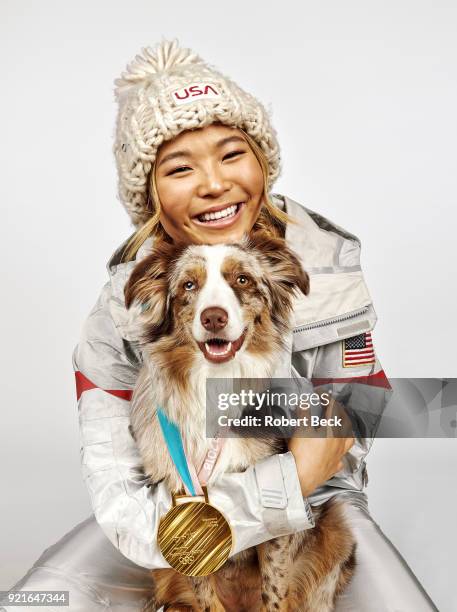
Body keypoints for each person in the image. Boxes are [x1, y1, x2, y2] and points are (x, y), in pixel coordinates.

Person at [2, 39, 438, 612]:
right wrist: (279, 480)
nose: (213, 184)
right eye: (180, 168)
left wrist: (286, 431)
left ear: (261, 162)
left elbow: (364, 427)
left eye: (232, 154)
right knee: (36, 604)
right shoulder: (121, 308)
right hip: (167, 510)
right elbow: (124, 509)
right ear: (152, 194)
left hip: (316, 513)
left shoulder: (325, 268)